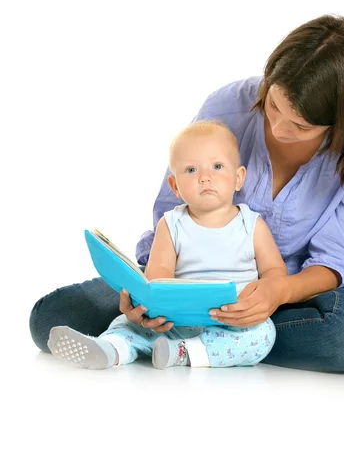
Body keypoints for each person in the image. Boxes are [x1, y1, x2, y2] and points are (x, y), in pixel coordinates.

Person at [30, 14, 344, 373]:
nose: (278, 127)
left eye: (301, 125)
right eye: (272, 105)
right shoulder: (228, 107)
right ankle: (211, 344)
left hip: (289, 297)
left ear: (343, 121)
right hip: (182, 284)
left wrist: (276, 292)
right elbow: (173, 212)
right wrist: (149, 296)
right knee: (52, 318)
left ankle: (194, 343)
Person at [47, 121, 285, 369]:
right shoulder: (171, 224)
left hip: (232, 321)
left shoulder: (252, 225)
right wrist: (152, 304)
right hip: (175, 321)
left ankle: (181, 353)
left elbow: (275, 273)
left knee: (263, 334)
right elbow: (158, 274)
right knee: (125, 323)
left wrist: (259, 298)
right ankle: (110, 349)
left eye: (217, 166)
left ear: (238, 178)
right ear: (175, 187)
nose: (205, 177)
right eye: (191, 170)